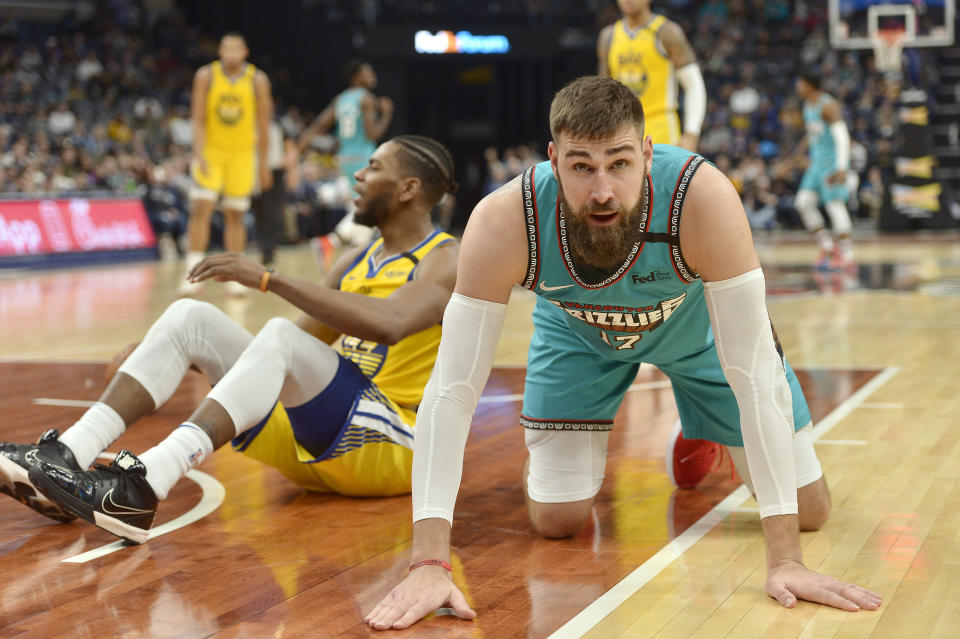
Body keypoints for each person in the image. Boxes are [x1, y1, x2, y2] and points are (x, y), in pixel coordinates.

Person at [365, 77, 882, 631]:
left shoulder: (701, 196)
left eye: (620, 163)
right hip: (576, 336)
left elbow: (754, 376)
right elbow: (451, 390)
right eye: (582, 166)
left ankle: (702, 428)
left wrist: (785, 561)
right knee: (556, 520)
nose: (603, 189)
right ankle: (557, 458)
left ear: (648, 156)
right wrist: (428, 562)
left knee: (810, 512)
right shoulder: (504, 219)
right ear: (553, 161)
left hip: (700, 333)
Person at [0, 135, 459, 545]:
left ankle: (144, 484)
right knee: (190, 318)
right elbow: (289, 351)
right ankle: (64, 457)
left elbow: (393, 321)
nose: (358, 174)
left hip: (397, 447)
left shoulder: (445, 258)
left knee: (276, 333)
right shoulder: (358, 261)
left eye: (375, 167)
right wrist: (173, 350)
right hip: (322, 445)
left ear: (409, 189)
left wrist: (268, 279)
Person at [179, 32, 273, 297]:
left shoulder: (258, 79)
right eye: (226, 48)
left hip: (243, 154)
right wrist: (198, 154)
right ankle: (192, 273)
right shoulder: (206, 76)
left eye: (236, 49)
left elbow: (264, 125)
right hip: (213, 151)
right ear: (220, 51)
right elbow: (197, 119)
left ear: (245, 52)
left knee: (235, 214)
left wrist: (263, 164)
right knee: (201, 208)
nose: (231, 53)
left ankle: (234, 276)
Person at [298, 59, 394, 260]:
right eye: (368, 72)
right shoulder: (366, 98)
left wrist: (300, 146)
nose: (372, 76)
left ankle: (356, 255)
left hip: (345, 159)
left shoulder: (340, 99)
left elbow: (319, 124)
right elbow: (372, 134)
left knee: (363, 208)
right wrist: (386, 115)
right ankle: (330, 242)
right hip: (364, 159)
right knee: (372, 206)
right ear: (356, 77)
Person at [597, 0, 706, 151]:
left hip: (662, 129)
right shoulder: (608, 37)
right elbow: (604, 94)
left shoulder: (667, 32)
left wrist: (691, 134)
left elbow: (694, 84)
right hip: (622, 133)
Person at [793, 71, 855, 271]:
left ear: (810, 84)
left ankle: (847, 255)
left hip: (831, 164)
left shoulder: (828, 105)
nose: (797, 86)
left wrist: (842, 167)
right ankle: (828, 248)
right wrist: (796, 156)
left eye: (800, 82)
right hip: (816, 164)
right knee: (803, 203)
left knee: (835, 206)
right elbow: (811, 135)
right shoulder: (807, 106)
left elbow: (842, 137)